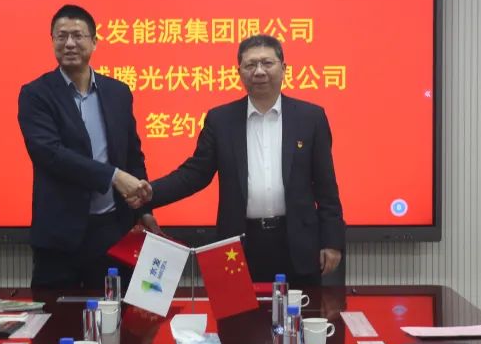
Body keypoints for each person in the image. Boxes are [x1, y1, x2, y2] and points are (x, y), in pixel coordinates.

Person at [143, 34, 344, 287]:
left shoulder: (310, 117)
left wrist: (332, 241)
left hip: (298, 244)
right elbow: (194, 174)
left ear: (284, 68)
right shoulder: (221, 120)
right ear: (239, 72)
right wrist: (148, 194)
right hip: (239, 245)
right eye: (250, 65)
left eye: (267, 63)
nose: (259, 71)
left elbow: (326, 187)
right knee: (239, 313)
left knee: (299, 312)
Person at [18, 5, 155, 289]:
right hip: (59, 238)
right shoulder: (36, 94)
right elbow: (50, 154)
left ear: (94, 42)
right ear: (52, 41)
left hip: (112, 232)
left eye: (78, 35)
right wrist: (114, 176)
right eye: (61, 36)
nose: (69, 43)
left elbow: (132, 154)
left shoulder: (118, 92)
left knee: (114, 312)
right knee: (55, 315)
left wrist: (144, 210)